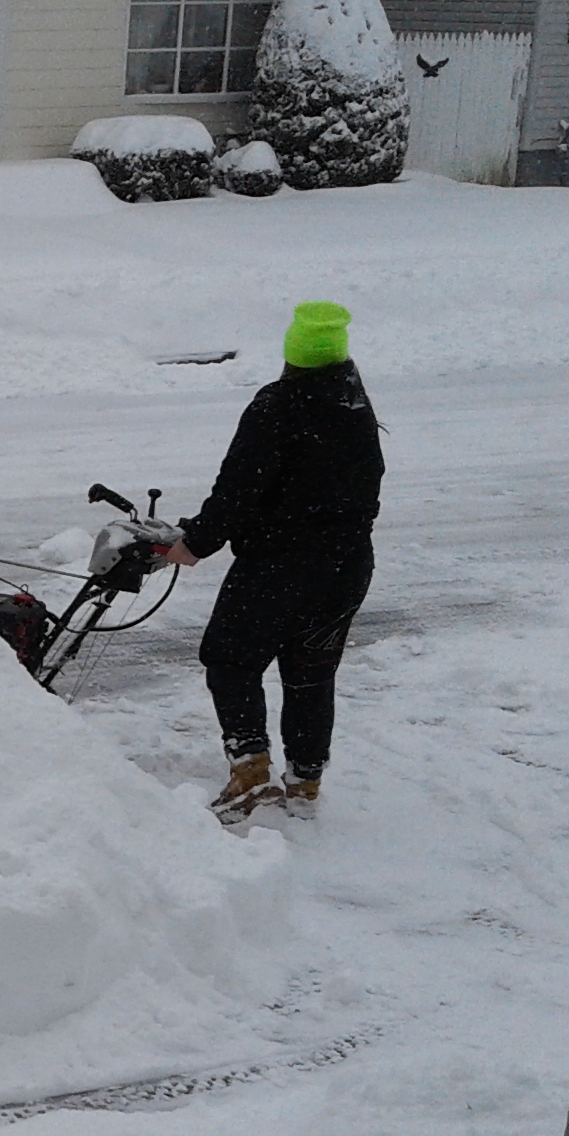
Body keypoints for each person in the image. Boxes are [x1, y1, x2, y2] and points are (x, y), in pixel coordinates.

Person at [159, 301, 384, 823]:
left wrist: (195, 543)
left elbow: (238, 490)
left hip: (280, 565)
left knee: (230, 660)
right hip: (347, 566)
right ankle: (305, 783)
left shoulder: (277, 406)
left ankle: (251, 773)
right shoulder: (354, 402)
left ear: (293, 355)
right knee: (310, 673)